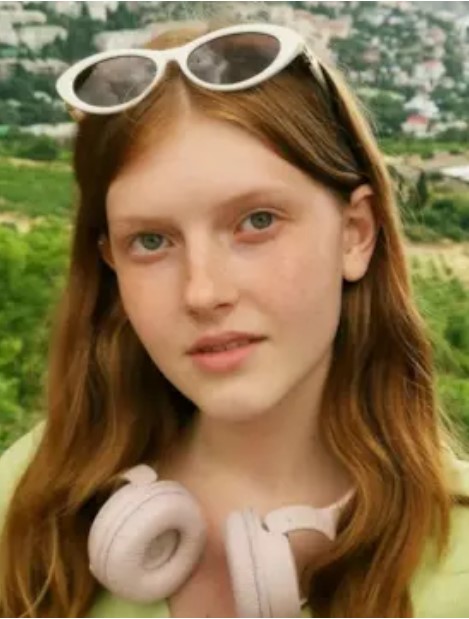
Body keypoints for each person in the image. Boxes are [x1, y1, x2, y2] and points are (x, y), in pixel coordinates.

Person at [0, 20, 468, 619]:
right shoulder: (31, 493)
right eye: (151, 241)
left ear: (355, 233)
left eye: (257, 222)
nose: (203, 292)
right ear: (111, 263)